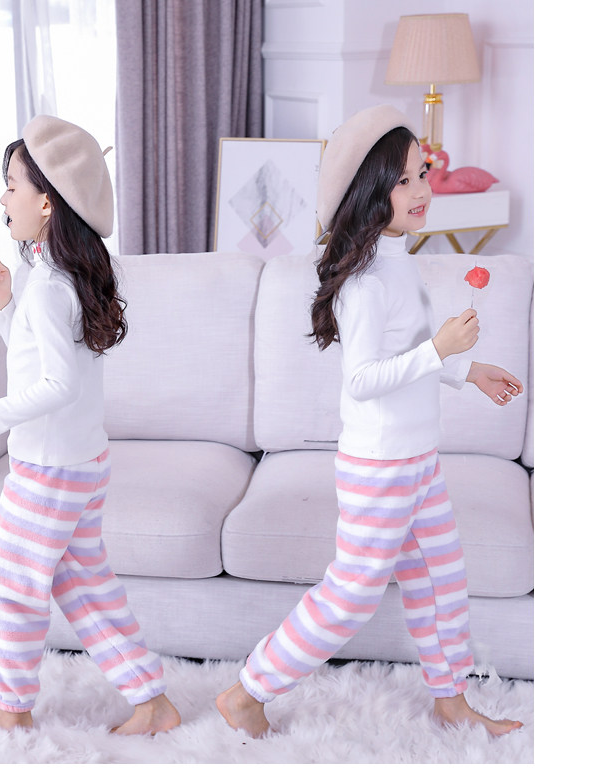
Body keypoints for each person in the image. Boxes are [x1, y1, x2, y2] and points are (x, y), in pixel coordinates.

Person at [216, 105, 524, 739]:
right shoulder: (364, 283)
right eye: (402, 180)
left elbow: (409, 355)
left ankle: (451, 701)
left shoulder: (399, 261)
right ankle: (247, 691)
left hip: (418, 459)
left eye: (422, 173)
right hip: (380, 467)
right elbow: (362, 379)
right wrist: (439, 349)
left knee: (442, 577)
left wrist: (467, 370)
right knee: (352, 593)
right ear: (369, 192)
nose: (421, 190)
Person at [0, 115, 181, 739]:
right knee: (84, 585)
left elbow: (57, 384)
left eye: (11, 185)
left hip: (47, 469)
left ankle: (12, 710)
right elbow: (39, 355)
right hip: (80, 462)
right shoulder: (54, 277)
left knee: (8, 587)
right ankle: (152, 701)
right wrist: (3, 305)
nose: (2, 198)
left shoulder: (50, 287)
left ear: (46, 203)